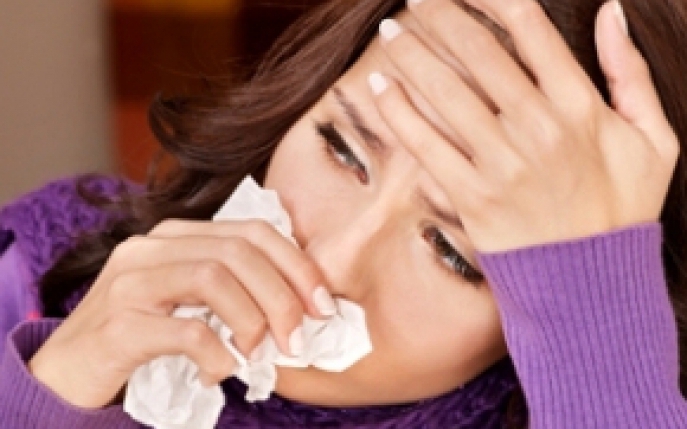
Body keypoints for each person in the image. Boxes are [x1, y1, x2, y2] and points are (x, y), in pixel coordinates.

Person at [1, 0, 686, 427]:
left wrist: (600, 325)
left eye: (452, 253)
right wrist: (53, 389)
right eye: (340, 148)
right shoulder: (35, 271)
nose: (328, 267)